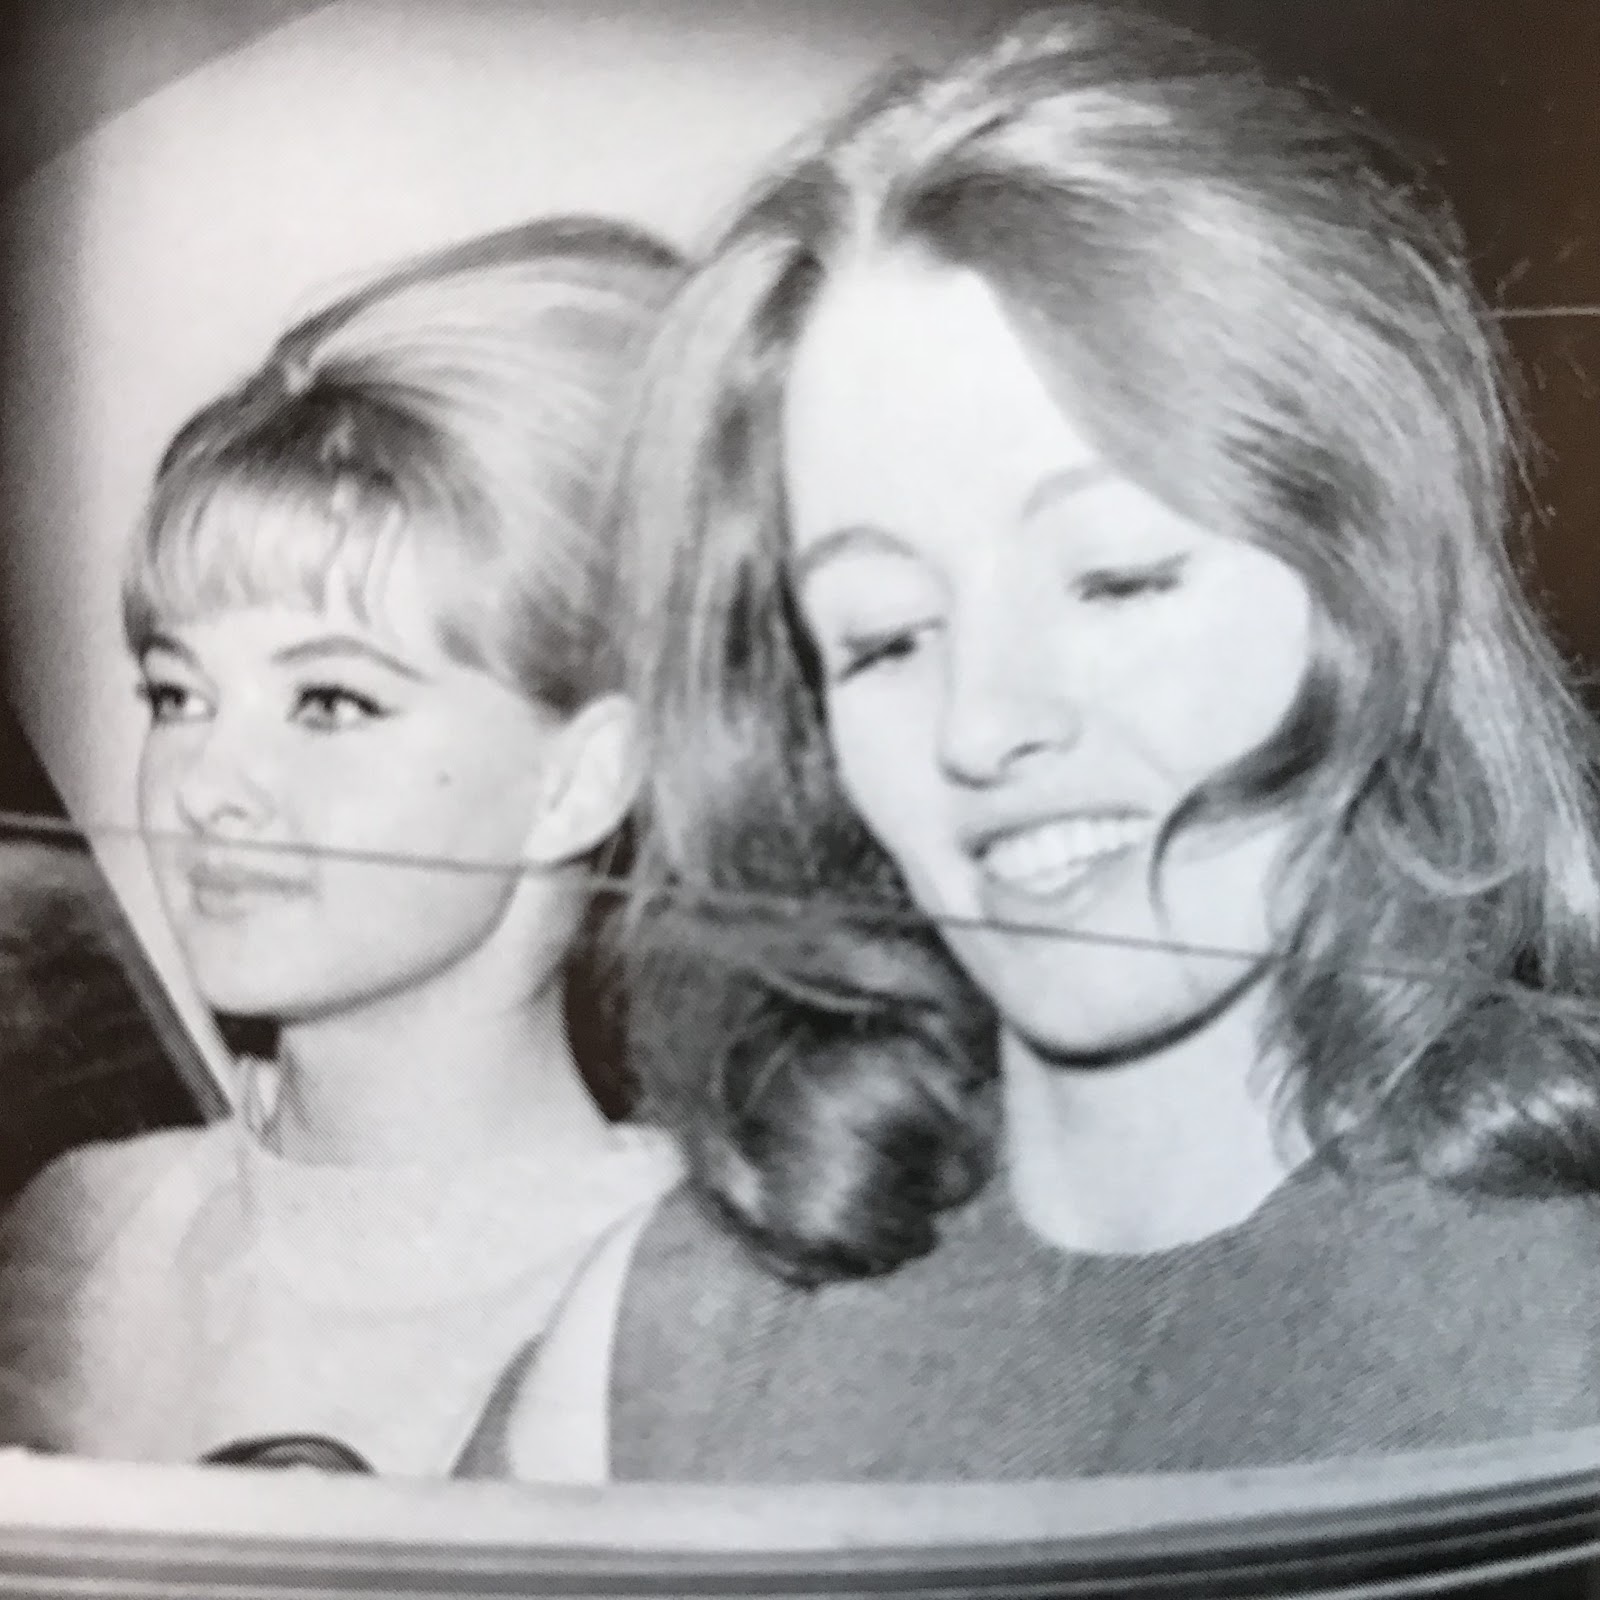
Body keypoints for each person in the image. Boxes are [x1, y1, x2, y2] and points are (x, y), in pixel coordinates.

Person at [468, 4, 1600, 1484]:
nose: (984, 723)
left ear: (1367, 582)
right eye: (884, 636)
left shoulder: (1561, 1328)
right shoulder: (650, 1357)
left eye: (1114, 580)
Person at [0, 217, 685, 1476]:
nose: (207, 785)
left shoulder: (689, 1295)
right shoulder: (84, 1234)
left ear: (581, 780)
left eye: (328, 701)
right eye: (178, 695)